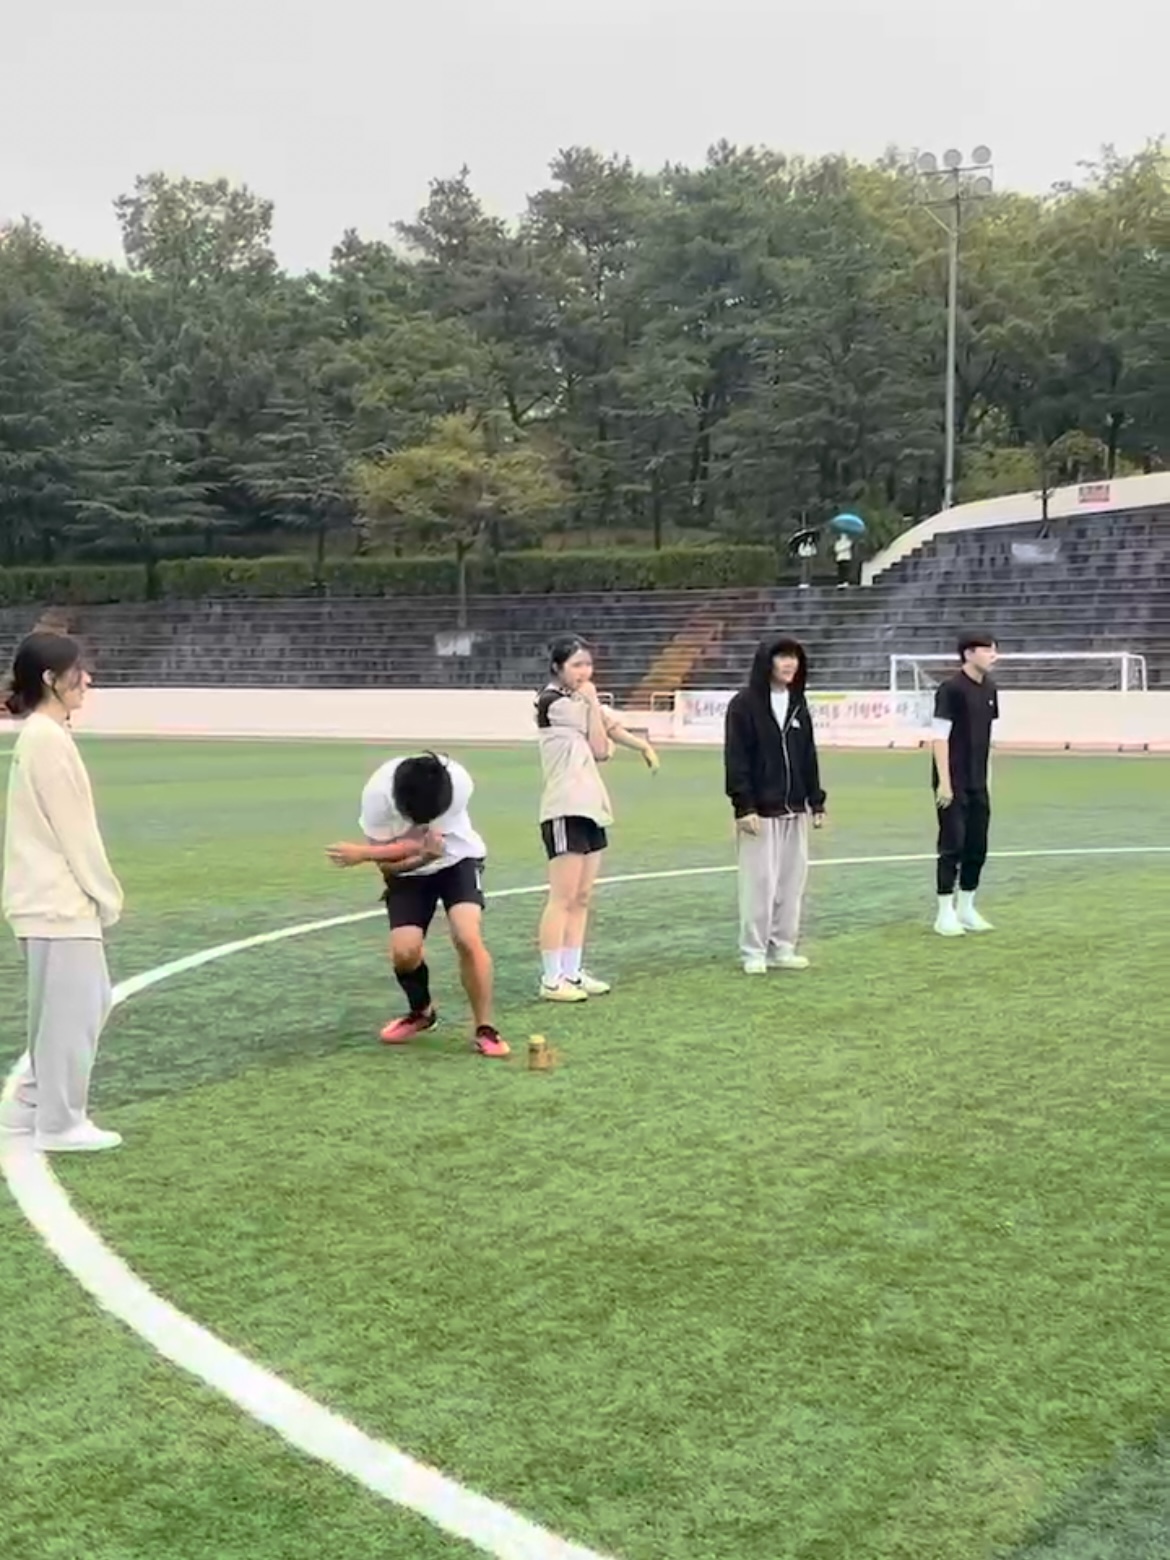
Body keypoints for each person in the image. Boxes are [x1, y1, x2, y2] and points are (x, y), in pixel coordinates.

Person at [0, 632, 124, 1152]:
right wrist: (106, 895)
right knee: (77, 1010)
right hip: (58, 901)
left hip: (43, 900)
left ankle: (29, 1105)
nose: (87, 679)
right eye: (78, 671)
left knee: (65, 1007)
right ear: (51, 679)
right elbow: (75, 832)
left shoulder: (41, 736)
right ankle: (60, 1122)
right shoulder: (47, 739)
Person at [326, 752, 509, 1056]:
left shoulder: (458, 783)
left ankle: (485, 1028)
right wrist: (421, 857)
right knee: (404, 953)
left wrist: (363, 853)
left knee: (467, 936)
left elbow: (431, 843)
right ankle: (422, 1013)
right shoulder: (377, 798)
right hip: (408, 872)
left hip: (458, 860)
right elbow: (390, 867)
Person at [536, 635, 659, 1002]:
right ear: (558, 667)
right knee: (562, 897)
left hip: (591, 806)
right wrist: (591, 700)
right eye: (576, 665)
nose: (584, 672)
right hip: (565, 807)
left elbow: (610, 726)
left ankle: (572, 972)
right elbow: (601, 746)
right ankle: (551, 979)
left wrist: (643, 746)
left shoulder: (579, 702)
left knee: (582, 896)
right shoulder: (553, 703)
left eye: (587, 664)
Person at [724, 635, 826, 975]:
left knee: (791, 883)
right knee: (759, 884)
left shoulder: (798, 703)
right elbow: (736, 758)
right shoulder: (744, 705)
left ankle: (784, 946)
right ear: (766, 662)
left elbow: (808, 754)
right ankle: (753, 950)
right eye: (782, 656)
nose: (789, 663)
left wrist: (816, 800)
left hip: (795, 808)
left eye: (794, 657)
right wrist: (744, 806)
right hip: (760, 811)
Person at [932, 633, 999, 937]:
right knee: (952, 845)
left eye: (994, 650)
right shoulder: (950, 689)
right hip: (954, 781)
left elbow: (987, 738)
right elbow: (939, 737)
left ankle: (967, 908)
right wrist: (944, 783)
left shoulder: (990, 688)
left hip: (978, 781)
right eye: (987, 650)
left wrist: (987, 778)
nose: (994, 655)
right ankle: (944, 913)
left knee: (977, 845)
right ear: (969, 654)